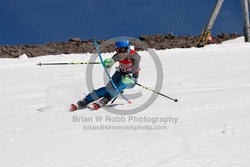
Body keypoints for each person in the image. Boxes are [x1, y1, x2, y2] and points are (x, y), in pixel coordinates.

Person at [72, 39, 141, 110]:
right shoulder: (118, 55)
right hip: (120, 73)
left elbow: (135, 67)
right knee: (108, 88)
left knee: (120, 85)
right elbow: (111, 62)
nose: (120, 53)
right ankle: (87, 99)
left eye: (123, 50)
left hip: (132, 77)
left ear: (128, 48)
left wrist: (129, 75)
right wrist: (108, 63)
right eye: (118, 50)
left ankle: (107, 98)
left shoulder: (135, 56)